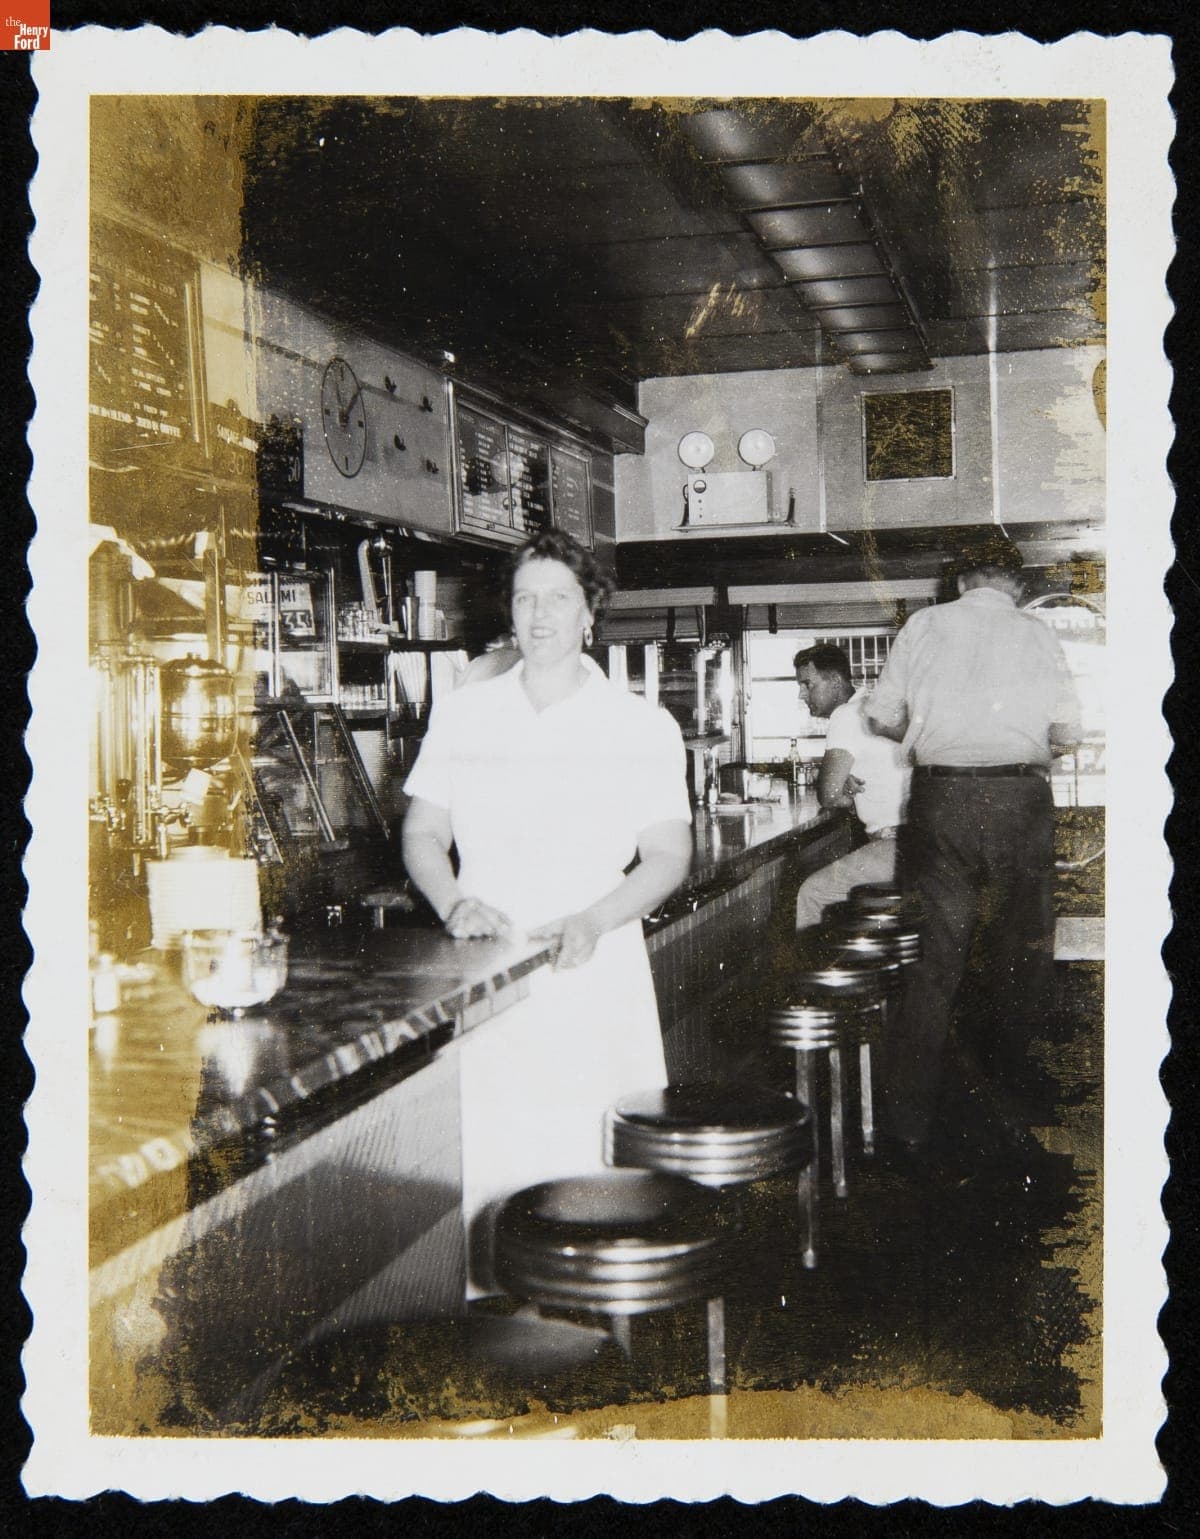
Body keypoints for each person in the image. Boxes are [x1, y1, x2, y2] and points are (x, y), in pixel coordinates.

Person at [401, 529, 693, 1294]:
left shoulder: (638, 725)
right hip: (490, 960)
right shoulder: (465, 714)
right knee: (497, 1154)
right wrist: (453, 899)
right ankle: (508, 1338)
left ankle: (599, 1337)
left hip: (593, 959)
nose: (539, 614)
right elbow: (424, 833)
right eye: (526, 597)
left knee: (585, 1159)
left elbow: (666, 855)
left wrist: (593, 920)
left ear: (588, 613)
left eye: (558, 597)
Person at [865, 536, 1082, 1165]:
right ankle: (1023, 1112)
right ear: (1013, 585)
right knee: (1022, 955)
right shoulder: (1038, 634)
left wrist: (931, 732)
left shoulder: (924, 624)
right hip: (1019, 801)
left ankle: (906, 1126)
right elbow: (1067, 731)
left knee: (933, 964)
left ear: (961, 583)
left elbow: (880, 717)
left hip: (942, 802)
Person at [791, 644, 911, 931]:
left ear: (835, 682)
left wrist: (840, 788)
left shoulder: (846, 715)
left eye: (808, 684)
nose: (801, 694)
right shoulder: (872, 706)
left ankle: (822, 976)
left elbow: (829, 796)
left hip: (897, 845)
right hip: (918, 842)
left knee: (812, 893)